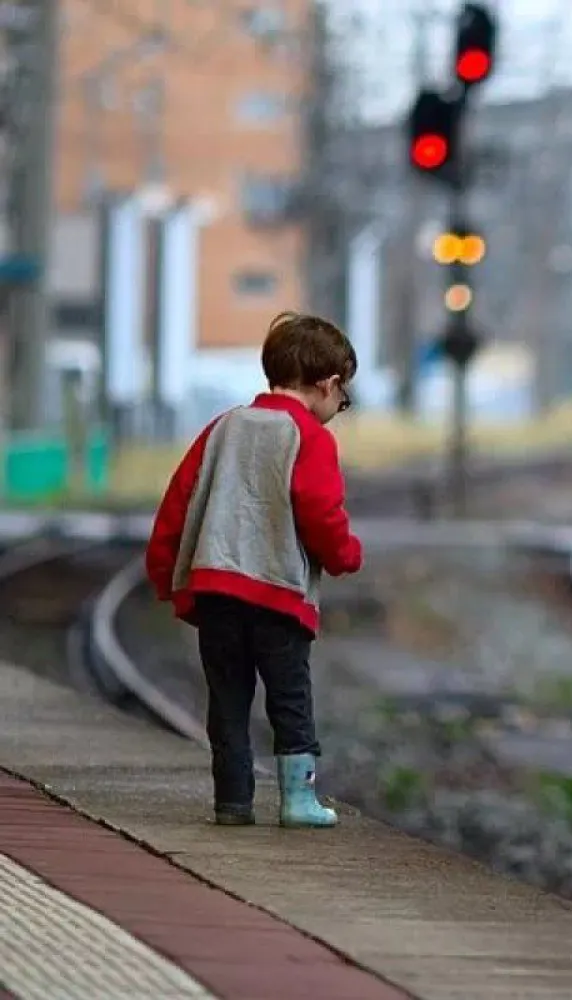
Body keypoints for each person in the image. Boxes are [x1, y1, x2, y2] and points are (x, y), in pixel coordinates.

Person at [145, 311, 364, 828]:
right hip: (277, 596)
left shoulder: (222, 428)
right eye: (344, 397)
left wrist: (164, 571)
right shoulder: (308, 437)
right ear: (329, 385)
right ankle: (298, 801)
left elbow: (179, 502)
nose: (339, 407)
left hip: (217, 590)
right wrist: (345, 553)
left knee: (227, 700)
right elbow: (319, 510)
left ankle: (233, 803)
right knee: (290, 698)